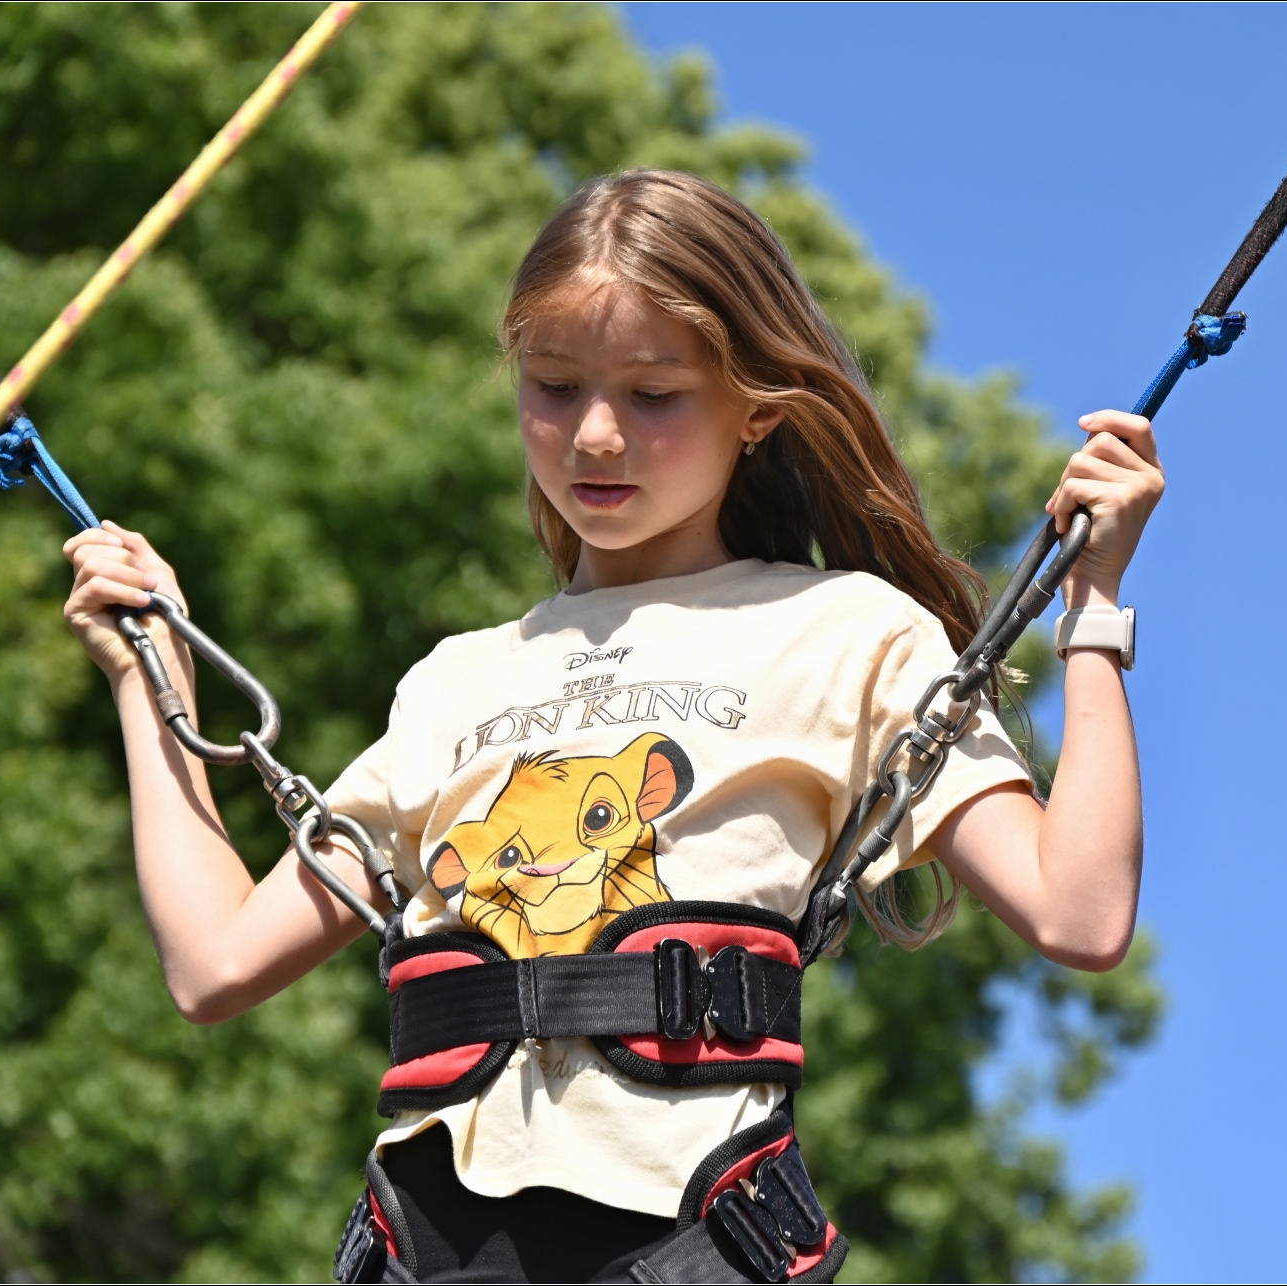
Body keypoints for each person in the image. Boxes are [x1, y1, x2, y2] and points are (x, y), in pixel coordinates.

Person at [60, 169, 1161, 1284]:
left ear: (757, 406)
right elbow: (215, 962)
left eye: (653, 395)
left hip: (680, 1235)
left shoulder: (846, 632)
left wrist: (1093, 610)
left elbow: (1076, 910)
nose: (595, 435)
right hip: (434, 1247)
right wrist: (152, 679)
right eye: (554, 385)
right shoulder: (455, 681)